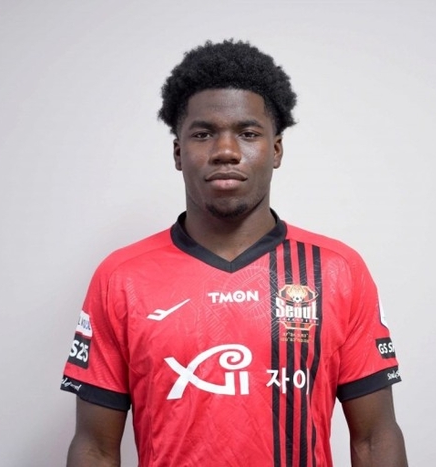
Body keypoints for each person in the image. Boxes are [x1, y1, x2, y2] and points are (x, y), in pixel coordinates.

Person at [61, 39, 407, 467]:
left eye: (248, 133)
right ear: (178, 152)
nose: (225, 151)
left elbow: (374, 438)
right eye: (203, 134)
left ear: (275, 150)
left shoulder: (336, 270)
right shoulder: (122, 277)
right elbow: (95, 448)